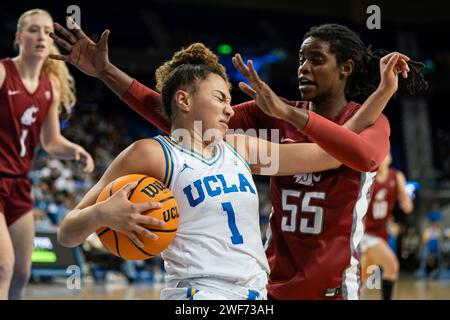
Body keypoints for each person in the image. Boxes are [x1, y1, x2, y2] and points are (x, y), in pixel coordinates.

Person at [50, 21, 427, 299]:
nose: (232, 109)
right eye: (300, 58)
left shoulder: (244, 146)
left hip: (298, 289)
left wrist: (381, 95)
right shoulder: (173, 147)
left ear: (345, 68)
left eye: (316, 59)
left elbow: (345, 154)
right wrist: (107, 73)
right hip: (230, 291)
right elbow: (178, 117)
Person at [0, 9, 94, 300]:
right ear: (18, 38)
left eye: (46, 31)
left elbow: (51, 140)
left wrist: (74, 149)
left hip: (18, 184)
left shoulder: (49, 86)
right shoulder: (3, 72)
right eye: (32, 30)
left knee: (21, 273)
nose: (41, 36)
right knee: (3, 267)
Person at [359, 152, 414, 300]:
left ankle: (353, 294)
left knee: (364, 276)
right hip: (365, 232)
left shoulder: (397, 176)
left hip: (380, 233)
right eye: (382, 153)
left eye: (388, 153)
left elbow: (407, 206)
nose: (386, 155)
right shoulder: (368, 175)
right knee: (392, 265)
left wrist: (406, 202)